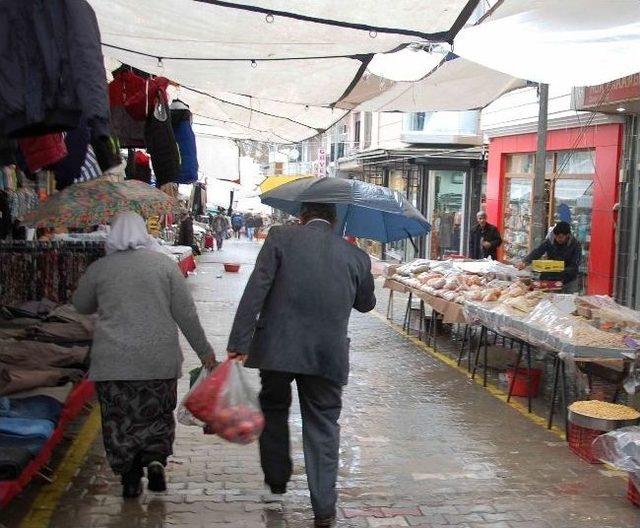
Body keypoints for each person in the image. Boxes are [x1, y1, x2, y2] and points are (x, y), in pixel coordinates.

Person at [227, 202, 376, 527]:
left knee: (275, 408)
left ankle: (277, 480)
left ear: (302, 217)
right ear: (334, 221)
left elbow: (256, 289)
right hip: (327, 355)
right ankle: (324, 508)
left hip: (276, 349)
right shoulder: (356, 256)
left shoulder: (280, 237)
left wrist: (239, 342)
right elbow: (366, 304)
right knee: (323, 425)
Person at [72, 212, 217, 499]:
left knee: (119, 419)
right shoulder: (165, 265)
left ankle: (129, 476)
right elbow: (185, 314)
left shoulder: (100, 268)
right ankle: (154, 460)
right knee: (157, 414)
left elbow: (81, 305)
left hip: (113, 362)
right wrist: (205, 353)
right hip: (158, 360)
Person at [516, 221, 582, 293]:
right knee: (548, 300)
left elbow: (574, 265)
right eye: (556, 236)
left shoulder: (575, 245)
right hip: (551, 277)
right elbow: (538, 251)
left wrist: (559, 269)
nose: (557, 239)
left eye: (560, 237)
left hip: (569, 279)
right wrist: (525, 262)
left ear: (568, 235)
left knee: (567, 300)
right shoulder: (550, 241)